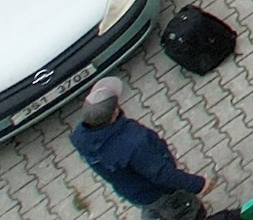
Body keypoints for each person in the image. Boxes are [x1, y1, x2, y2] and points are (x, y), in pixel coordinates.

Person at [69, 80, 208, 220]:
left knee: (154, 207)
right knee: (187, 211)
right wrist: (198, 184)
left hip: (135, 191)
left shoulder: (80, 137)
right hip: (160, 191)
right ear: (114, 112)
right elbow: (162, 174)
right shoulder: (133, 141)